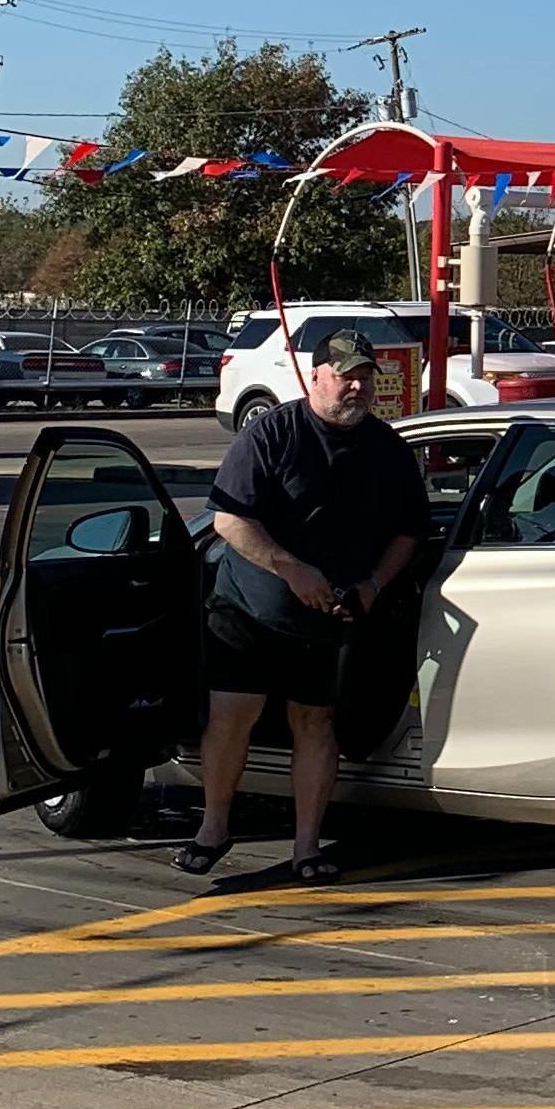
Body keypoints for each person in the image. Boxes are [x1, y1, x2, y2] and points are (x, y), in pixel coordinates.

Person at [180, 330, 427, 883]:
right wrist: (291, 568)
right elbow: (228, 521)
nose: (357, 387)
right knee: (231, 718)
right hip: (249, 607)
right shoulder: (272, 433)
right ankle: (213, 828)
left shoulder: (387, 449)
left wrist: (373, 584)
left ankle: (307, 848)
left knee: (315, 724)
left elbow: (409, 534)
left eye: (365, 378)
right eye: (345, 376)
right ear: (315, 377)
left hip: (328, 616)